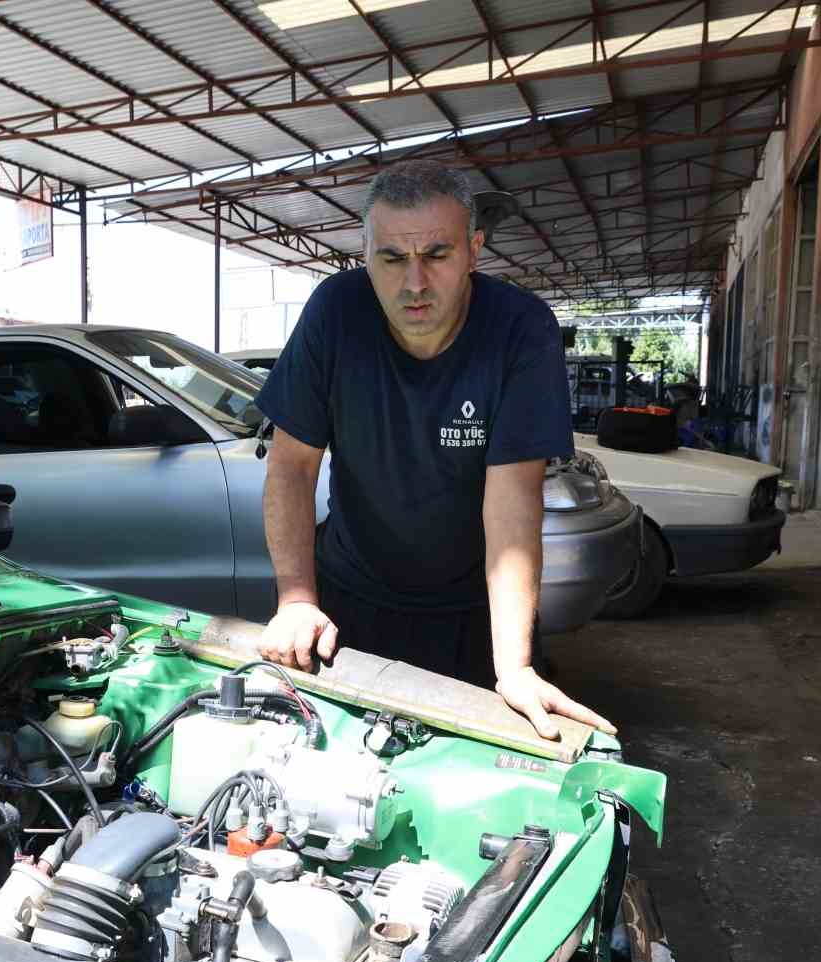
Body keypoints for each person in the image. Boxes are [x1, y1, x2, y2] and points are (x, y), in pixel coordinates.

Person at [252, 160, 615, 741]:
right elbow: (293, 467)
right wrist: (296, 599)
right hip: (347, 603)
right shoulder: (335, 313)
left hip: (473, 614)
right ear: (365, 254)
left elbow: (513, 503)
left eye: (437, 257)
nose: (413, 283)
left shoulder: (520, 329)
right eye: (392, 259)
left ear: (474, 250)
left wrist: (514, 666)